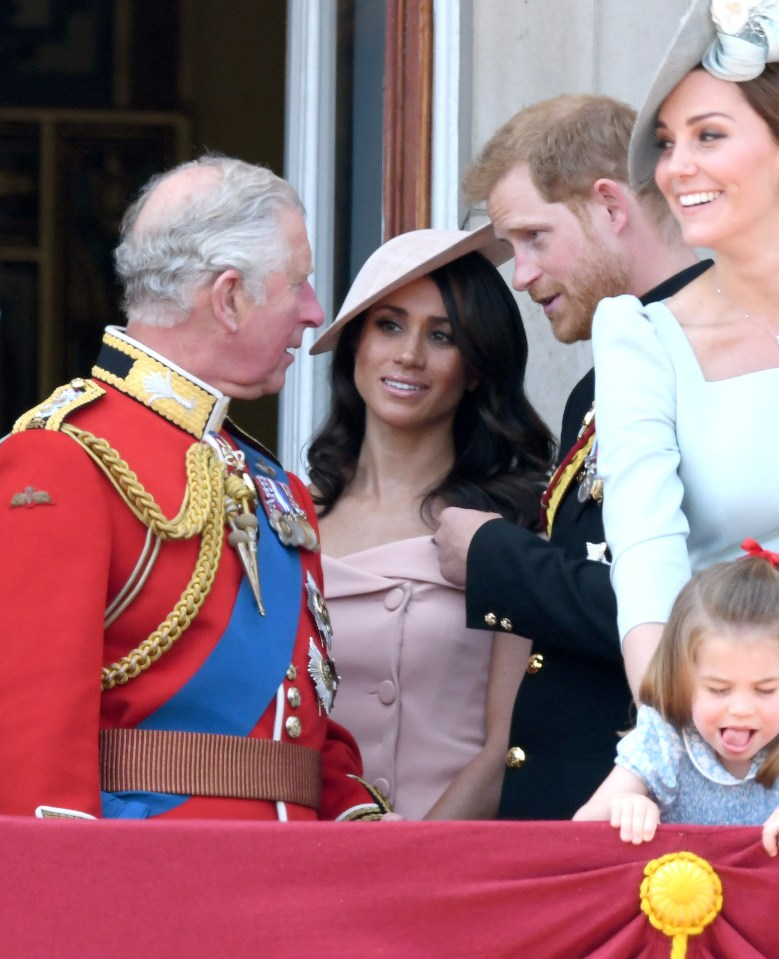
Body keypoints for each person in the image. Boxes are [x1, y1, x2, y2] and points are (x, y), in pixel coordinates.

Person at [0, 155, 391, 821]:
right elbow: (31, 741)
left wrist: (359, 823)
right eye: (297, 284)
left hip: (288, 884)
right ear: (229, 297)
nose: (314, 311)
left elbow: (302, 721)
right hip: (152, 887)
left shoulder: (274, 485)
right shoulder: (63, 457)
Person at [432, 94, 710, 820]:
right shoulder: (605, 375)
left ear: (610, 206)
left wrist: (496, 556)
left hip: (649, 814)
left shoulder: (713, 359)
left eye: (533, 237)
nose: (519, 275)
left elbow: (693, 608)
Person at [307, 226, 556, 819]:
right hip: (299, 860)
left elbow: (505, 750)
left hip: (449, 868)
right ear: (355, 345)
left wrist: (414, 872)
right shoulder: (287, 517)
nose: (409, 355)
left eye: (441, 336)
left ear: (475, 368)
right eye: (388, 325)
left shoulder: (512, 530)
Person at [593, 0, 779, 703]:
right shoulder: (642, 337)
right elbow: (645, 567)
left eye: (708, 136)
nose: (676, 169)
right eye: (668, 143)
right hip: (732, 735)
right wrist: (667, 745)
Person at [574, 547, 779, 858]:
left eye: (765, 690)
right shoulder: (665, 741)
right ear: (682, 680)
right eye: (719, 689)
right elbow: (579, 828)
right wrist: (623, 807)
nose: (741, 709)